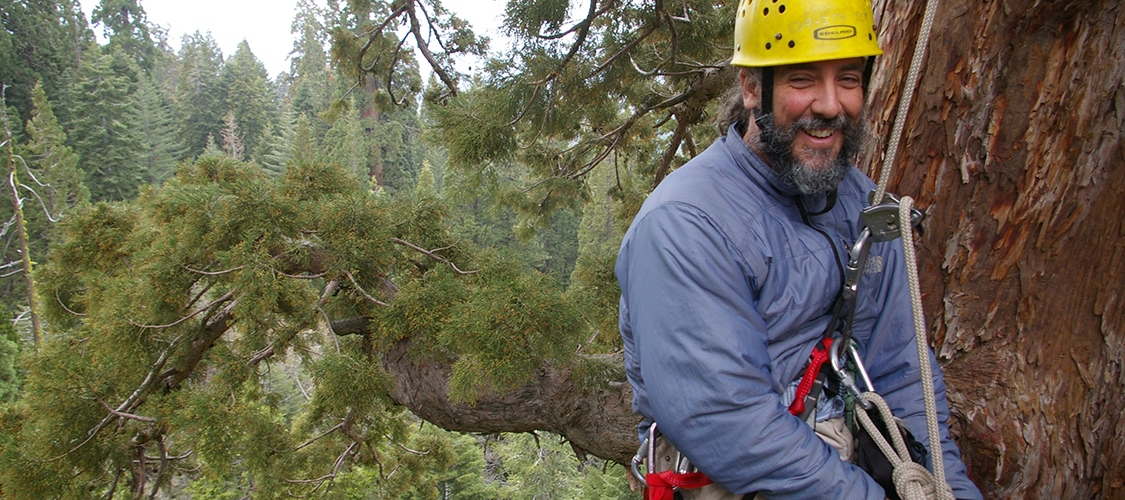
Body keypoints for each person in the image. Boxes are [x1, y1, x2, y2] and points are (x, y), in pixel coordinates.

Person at [615, 0, 983, 498]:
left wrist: (948, 488)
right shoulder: (686, 224)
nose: (831, 105)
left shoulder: (863, 203)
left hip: (840, 458)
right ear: (751, 88)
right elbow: (730, 418)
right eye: (803, 79)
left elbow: (900, 368)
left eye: (848, 79)